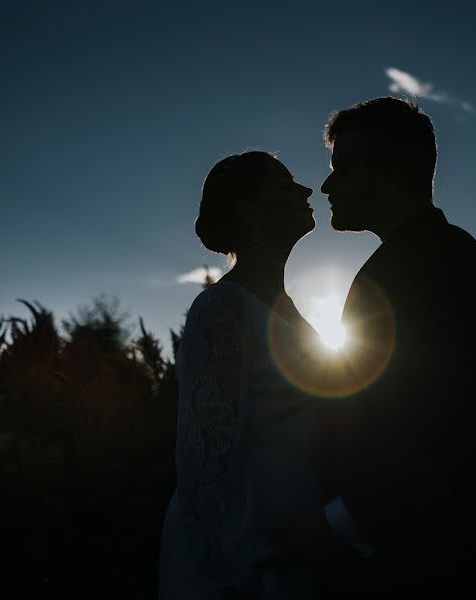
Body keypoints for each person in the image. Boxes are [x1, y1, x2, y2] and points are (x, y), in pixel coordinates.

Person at [254, 97, 476, 596]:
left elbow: (449, 423)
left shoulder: (438, 261)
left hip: (416, 564)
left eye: (341, 170)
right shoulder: (413, 259)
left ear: (388, 177)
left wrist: (340, 523)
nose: (326, 185)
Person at [158, 151, 325, 599]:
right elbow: (204, 455)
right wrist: (225, 575)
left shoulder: (292, 314)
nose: (306, 190)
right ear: (250, 208)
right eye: (286, 184)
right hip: (241, 555)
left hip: (291, 540)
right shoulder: (222, 308)